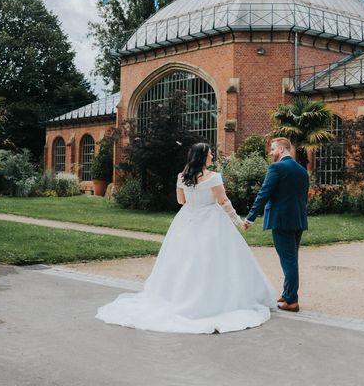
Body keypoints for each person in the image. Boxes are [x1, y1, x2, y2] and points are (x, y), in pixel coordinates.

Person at [96, 142, 276, 334]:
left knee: (184, 260)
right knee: (216, 258)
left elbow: (181, 201)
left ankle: (179, 297)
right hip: (211, 219)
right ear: (203, 156)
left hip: (187, 219)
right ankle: (215, 299)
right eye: (210, 154)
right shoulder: (214, 177)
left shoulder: (182, 177)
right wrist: (238, 222)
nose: (212, 156)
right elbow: (223, 201)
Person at [243, 137, 309, 313]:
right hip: (298, 220)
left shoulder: (276, 167)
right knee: (292, 258)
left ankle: (292, 300)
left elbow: (264, 193)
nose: (270, 153)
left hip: (281, 220)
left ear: (281, 149)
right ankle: (287, 293)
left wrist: (250, 218)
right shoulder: (302, 170)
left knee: (288, 260)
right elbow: (303, 197)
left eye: (272, 149)